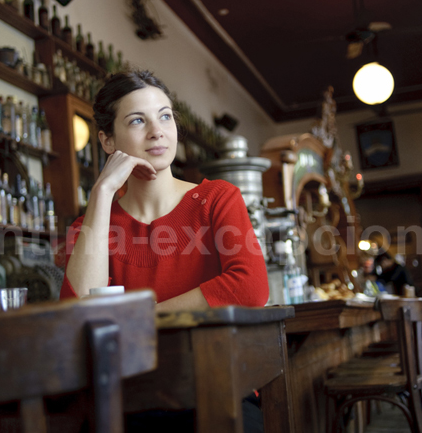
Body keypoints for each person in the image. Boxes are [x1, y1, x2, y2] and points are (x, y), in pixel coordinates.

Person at [60, 70, 269, 311]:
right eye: (137, 120)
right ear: (108, 141)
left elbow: (251, 288)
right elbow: (79, 313)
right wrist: (102, 191)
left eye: (165, 117)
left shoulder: (217, 199)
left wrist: (149, 314)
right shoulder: (87, 228)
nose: (157, 131)